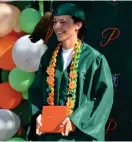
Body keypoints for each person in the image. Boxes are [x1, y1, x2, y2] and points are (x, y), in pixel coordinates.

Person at [28, 3, 114, 141]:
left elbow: (102, 97)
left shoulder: (93, 59)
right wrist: (38, 115)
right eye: (55, 22)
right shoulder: (48, 57)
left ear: (78, 25)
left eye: (63, 22)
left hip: (78, 136)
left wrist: (76, 120)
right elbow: (36, 91)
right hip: (50, 136)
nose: (57, 27)